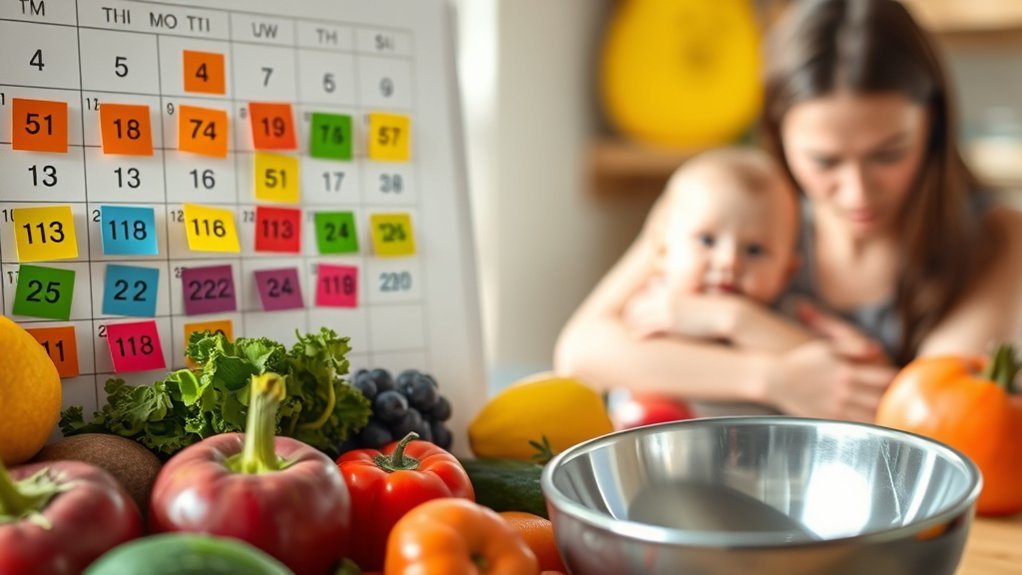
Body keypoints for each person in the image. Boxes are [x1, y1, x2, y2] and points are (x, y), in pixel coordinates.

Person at [555, 0, 1022, 423]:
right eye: (824, 161)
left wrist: (733, 320)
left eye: (888, 154)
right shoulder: (735, 204)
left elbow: (935, 419)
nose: (856, 193)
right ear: (778, 135)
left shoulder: (996, 237)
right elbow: (582, 351)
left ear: (933, 124)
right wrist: (770, 378)